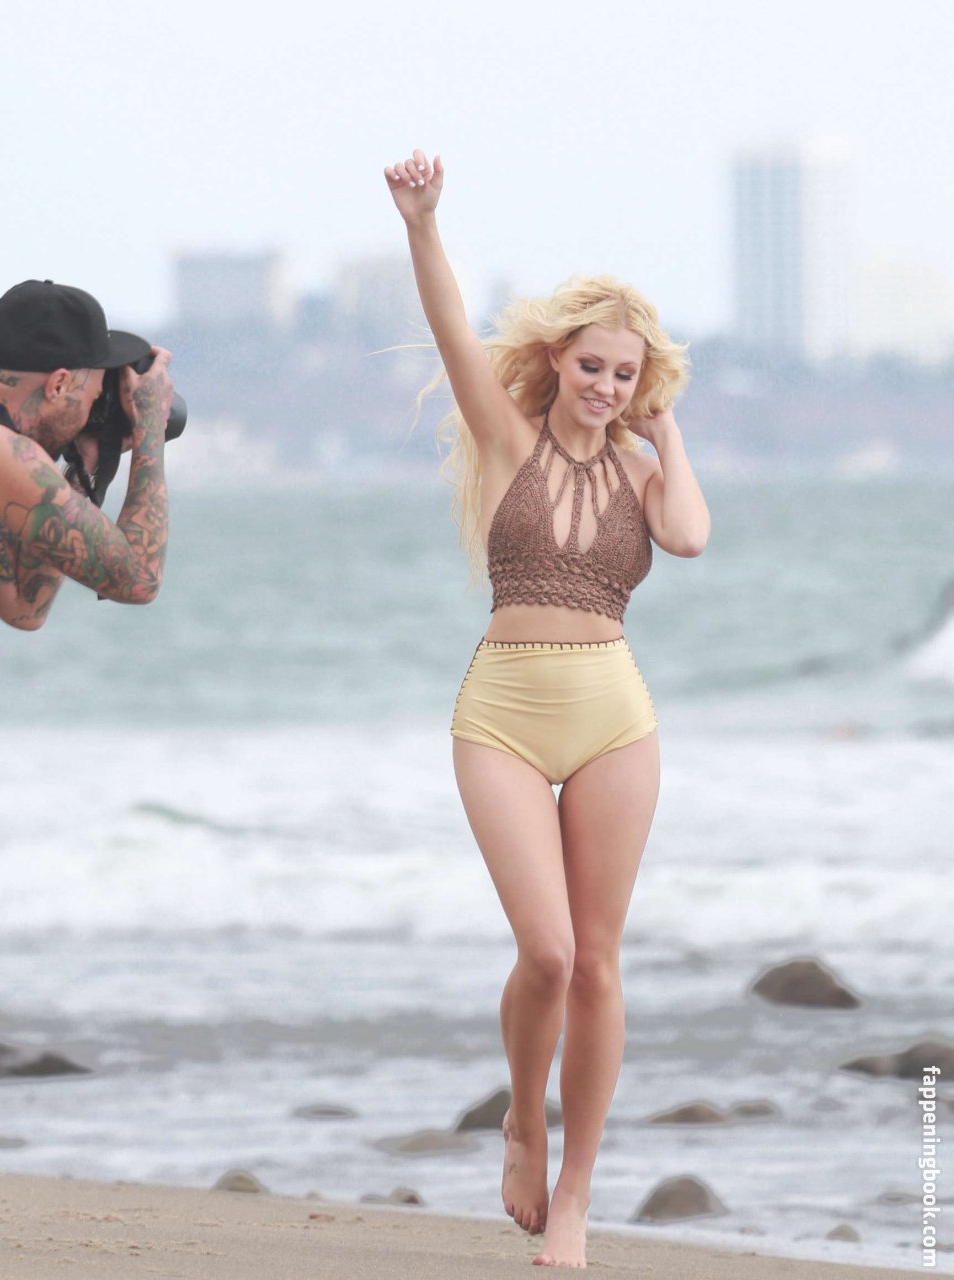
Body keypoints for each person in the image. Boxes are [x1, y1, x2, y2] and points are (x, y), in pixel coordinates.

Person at [385, 149, 710, 1268]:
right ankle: (523, 1117)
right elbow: (449, 330)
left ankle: (575, 1194)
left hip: (615, 717)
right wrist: (424, 225)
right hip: (503, 716)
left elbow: (689, 537)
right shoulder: (508, 440)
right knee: (548, 953)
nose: (605, 386)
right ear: (558, 362)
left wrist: (669, 437)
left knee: (600, 963)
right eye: (591, 366)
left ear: (642, 384)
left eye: (625, 374)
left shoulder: (641, 473)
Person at [0, 279, 173, 629]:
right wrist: (150, 423)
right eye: (95, 394)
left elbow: (23, 605)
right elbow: (140, 580)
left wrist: (82, 470)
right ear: (58, 384)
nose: (92, 409)